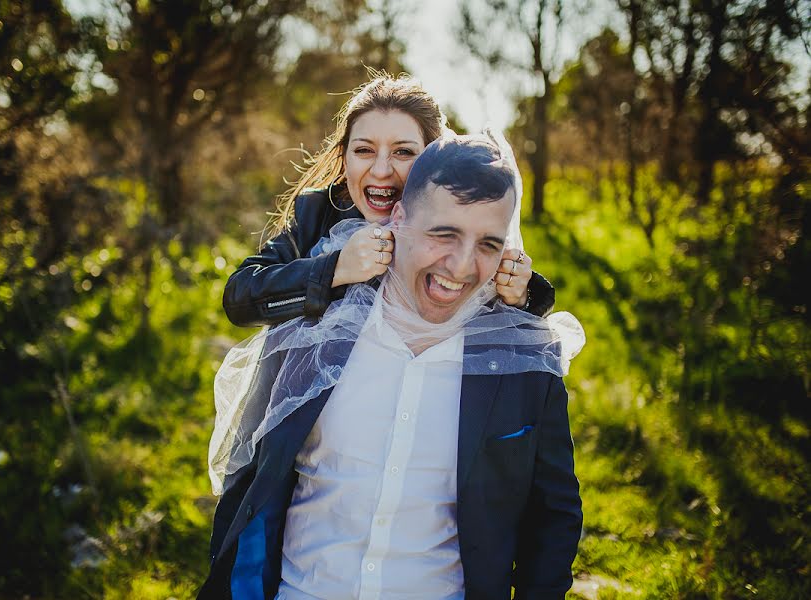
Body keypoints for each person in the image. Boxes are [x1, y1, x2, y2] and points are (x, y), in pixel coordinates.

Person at [198, 134, 582, 600]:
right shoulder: (316, 334)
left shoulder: (524, 361)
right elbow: (250, 491)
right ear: (397, 218)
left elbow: (554, 517)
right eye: (444, 234)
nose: (461, 266)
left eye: (487, 244)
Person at [222, 72, 555, 328]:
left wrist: (520, 296)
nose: (381, 170)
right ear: (345, 157)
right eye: (364, 150)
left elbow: (515, 310)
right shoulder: (316, 212)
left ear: (435, 160)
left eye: (404, 152)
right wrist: (335, 269)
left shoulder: (464, 221)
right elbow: (240, 298)